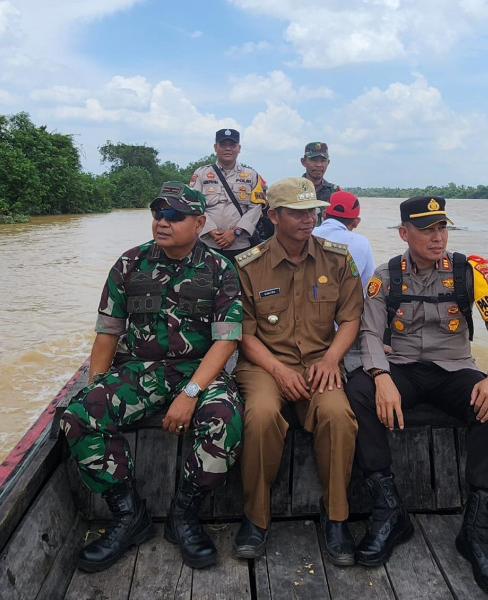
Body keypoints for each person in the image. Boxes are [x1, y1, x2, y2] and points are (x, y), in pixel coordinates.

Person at [60, 182, 244, 572]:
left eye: (174, 216)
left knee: (225, 420)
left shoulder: (220, 269)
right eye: (158, 214)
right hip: (139, 370)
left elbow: (226, 342)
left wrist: (192, 392)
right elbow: (108, 332)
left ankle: (185, 515)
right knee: (78, 416)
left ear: (199, 222)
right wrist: (97, 386)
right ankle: (128, 516)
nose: (163, 221)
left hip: (200, 370)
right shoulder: (130, 264)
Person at [346, 196, 488, 595]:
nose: (437, 237)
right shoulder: (386, 276)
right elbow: (369, 332)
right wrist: (379, 375)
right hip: (402, 367)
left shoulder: (468, 272)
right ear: (405, 233)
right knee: (357, 391)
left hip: (454, 369)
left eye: (442, 228)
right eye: (427, 229)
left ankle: (477, 532)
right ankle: (389, 510)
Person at [231, 177, 363, 566]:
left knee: (339, 416)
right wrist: (279, 370)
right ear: (273, 216)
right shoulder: (249, 266)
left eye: (312, 211)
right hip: (264, 364)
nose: (309, 220)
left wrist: (330, 359)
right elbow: (244, 335)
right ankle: (256, 517)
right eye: (298, 212)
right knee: (260, 416)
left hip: (319, 361)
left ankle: (336, 516)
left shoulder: (337, 259)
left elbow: (351, 318)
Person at [312, 189, 376, 372]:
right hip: (343, 330)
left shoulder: (305, 235)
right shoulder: (361, 242)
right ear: (356, 222)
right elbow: (368, 288)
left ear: (323, 214)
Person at [189, 128, 266, 261]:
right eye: (223, 145)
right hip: (208, 243)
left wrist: (235, 232)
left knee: (240, 281)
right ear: (215, 147)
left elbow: (256, 207)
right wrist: (211, 230)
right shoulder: (201, 174)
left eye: (232, 145)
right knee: (205, 280)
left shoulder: (252, 175)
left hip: (240, 244)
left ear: (239, 148)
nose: (228, 148)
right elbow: (194, 204)